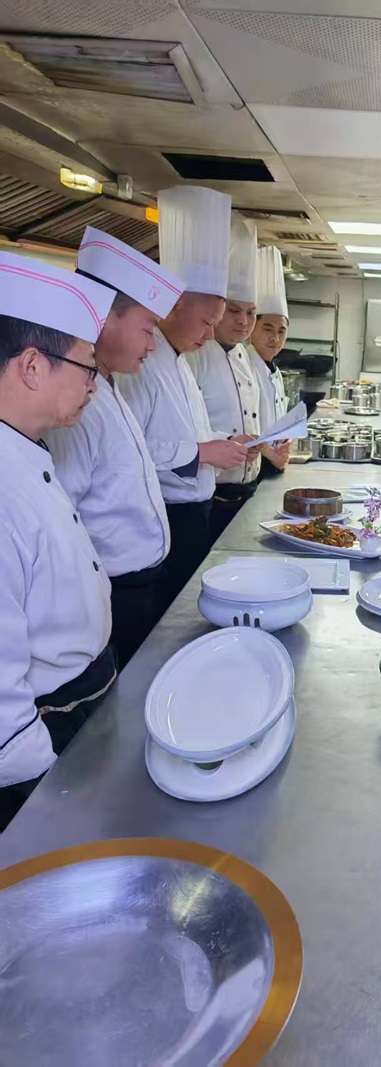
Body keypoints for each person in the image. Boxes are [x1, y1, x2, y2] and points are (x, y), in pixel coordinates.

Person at [0, 250, 116, 829]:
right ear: (31, 366)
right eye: (87, 367)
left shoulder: (27, 448)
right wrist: (48, 787)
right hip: (41, 743)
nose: (95, 384)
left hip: (81, 701)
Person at [46, 228, 185, 669]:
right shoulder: (76, 406)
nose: (152, 344)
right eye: (148, 328)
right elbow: (65, 519)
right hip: (114, 592)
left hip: (142, 584)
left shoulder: (108, 383)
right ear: (104, 317)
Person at [117, 186, 250, 604]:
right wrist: (204, 453)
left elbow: (184, 430)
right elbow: (131, 451)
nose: (210, 334)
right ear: (174, 307)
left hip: (194, 512)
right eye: (207, 322)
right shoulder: (139, 364)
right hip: (168, 516)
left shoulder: (178, 358)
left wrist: (223, 443)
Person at [185, 214, 264, 541]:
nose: (244, 321)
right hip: (212, 496)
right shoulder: (194, 355)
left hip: (248, 490)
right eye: (234, 311)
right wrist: (228, 442)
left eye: (251, 312)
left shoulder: (244, 354)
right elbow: (186, 429)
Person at [249, 244, 292, 479]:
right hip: (253, 464)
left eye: (281, 331)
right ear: (252, 328)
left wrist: (285, 443)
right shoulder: (244, 367)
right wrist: (271, 455)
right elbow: (246, 425)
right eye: (267, 329)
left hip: (273, 461)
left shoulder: (275, 371)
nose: (275, 338)